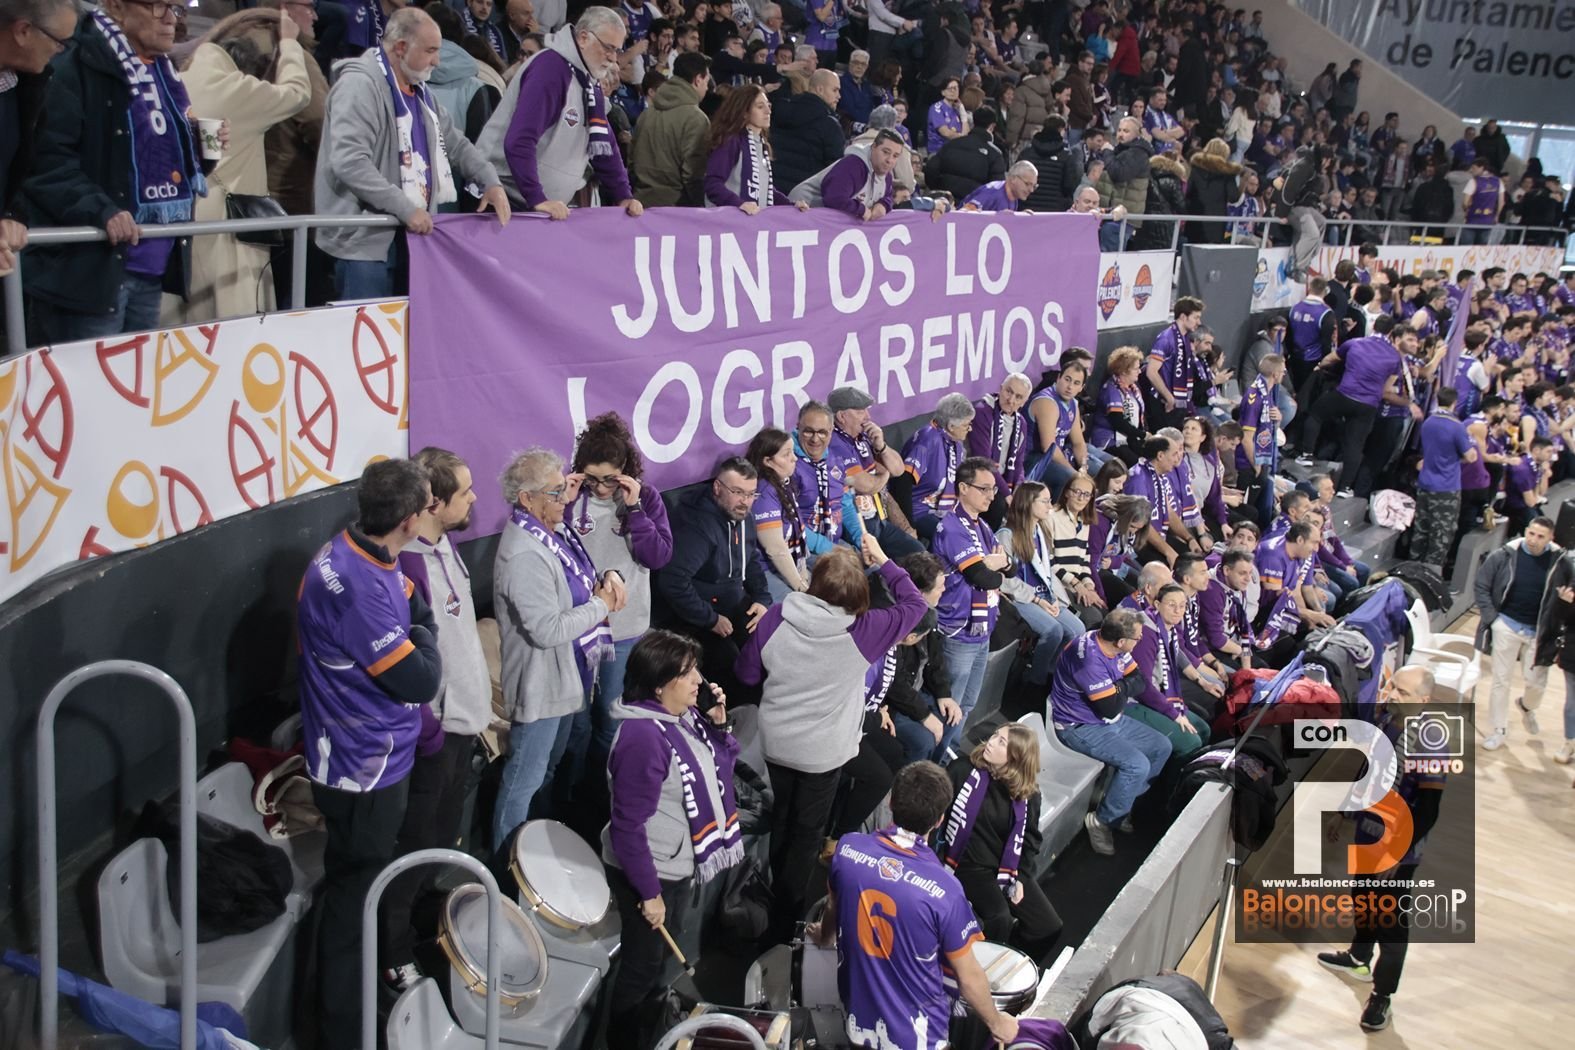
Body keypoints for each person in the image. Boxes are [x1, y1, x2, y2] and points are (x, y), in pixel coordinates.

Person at [295, 458, 442, 1048]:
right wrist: (421, 638)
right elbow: (421, 679)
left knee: (358, 894)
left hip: (363, 759)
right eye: (429, 505)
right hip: (363, 770)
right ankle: (342, 1031)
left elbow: (417, 608)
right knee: (353, 904)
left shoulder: (359, 550)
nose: (433, 512)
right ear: (409, 520)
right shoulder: (359, 590)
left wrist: (418, 632)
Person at [736, 540, 927, 931]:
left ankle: (774, 899)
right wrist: (885, 560)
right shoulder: (865, 630)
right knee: (807, 833)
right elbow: (916, 604)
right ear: (858, 596)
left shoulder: (777, 615)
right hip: (822, 754)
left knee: (784, 817)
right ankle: (784, 921)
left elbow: (747, 674)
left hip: (777, 742)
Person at [23, 0, 214, 342]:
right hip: (90, 274)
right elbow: (45, 162)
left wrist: (198, 148)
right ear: (116, 6)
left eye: (176, 8)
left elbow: (163, 163)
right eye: (159, 6)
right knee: (84, 377)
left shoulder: (164, 72)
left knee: (136, 378)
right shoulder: (75, 62)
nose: (171, 19)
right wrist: (101, 210)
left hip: (151, 267)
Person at [377, 447, 492, 990]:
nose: (474, 499)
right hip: (436, 735)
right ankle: (392, 956)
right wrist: (430, 727)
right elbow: (402, 661)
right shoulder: (407, 566)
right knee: (413, 849)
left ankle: (424, 927)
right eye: (464, 492)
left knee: (441, 840)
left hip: (464, 726)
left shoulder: (447, 545)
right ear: (433, 503)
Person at [815, 761, 1019, 1048]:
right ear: (939, 820)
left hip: (858, 1028)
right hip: (919, 1039)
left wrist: (824, 937)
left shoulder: (847, 849)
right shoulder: (945, 890)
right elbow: (969, 978)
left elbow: (833, 909)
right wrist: (999, 1025)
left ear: (890, 801)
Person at [603, 630, 741, 1049]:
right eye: (687, 672)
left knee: (658, 964)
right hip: (651, 871)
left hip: (675, 864)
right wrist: (649, 893)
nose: (699, 679)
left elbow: (721, 767)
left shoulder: (684, 719)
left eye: (696, 669)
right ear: (659, 684)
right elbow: (628, 827)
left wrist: (719, 726)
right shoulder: (643, 739)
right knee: (641, 969)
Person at [315, 8, 508, 299]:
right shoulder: (359, 86)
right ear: (401, 47)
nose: (437, 61)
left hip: (410, 237)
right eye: (430, 50)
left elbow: (455, 143)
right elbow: (350, 163)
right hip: (363, 245)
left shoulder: (420, 92)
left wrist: (489, 180)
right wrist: (405, 208)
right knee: (369, 328)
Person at [493, 447, 627, 848]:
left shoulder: (553, 533)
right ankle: (506, 866)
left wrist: (606, 578)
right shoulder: (524, 554)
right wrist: (601, 605)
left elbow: (577, 582)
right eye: (555, 492)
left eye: (563, 487)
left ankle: (536, 846)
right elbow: (547, 629)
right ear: (526, 498)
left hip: (565, 676)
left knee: (546, 773)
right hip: (540, 686)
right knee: (523, 782)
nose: (565, 498)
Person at [1315, 666, 1444, 1034]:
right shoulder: (1386, 721)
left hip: (1398, 849)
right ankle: (1358, 955)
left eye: (1402, 692)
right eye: (1391, 687)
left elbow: (1429, 809)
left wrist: (1400, 853)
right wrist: (1344, 812)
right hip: (1369, 833)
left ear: (1424, 700)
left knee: (1391, 922)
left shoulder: (1431, 742)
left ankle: (1382, 995)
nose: (1391, 694)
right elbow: (1368, 769)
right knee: (1362, 897)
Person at [175, 8, 312, 323]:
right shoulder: (235, 88)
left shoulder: (177, 82)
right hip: (229, 224)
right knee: (234, 318)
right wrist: (290, 44)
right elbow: (297, 94)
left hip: (185, 217)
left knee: (186, 321)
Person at [564, 413, 673, 768]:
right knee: (576, 725)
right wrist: (564, 504)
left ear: (625, 470)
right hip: (577, 628)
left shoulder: (646, 498)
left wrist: (635, 509)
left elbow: (657, 557)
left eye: (609, 479)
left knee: (610, 722)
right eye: (592, 478)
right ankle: (571, 792)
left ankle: (600, 791)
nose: (600, 488)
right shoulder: (570, 499)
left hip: (624, 630)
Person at [477, 6, 641, 220]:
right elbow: (519, 140)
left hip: (534, 205)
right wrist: (537, 198)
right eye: (608, 48)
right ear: (584, 38)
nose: (613, 58)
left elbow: (603, 144)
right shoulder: (551, 69)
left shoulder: (588, 79)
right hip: (505, 200)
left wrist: (623, 195)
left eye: (617, 50)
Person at [1049, 612, 1173, 855]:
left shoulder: (1112, 645)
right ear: (1121, 641)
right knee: (1137, 765)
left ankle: (1121, 804)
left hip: (1106, 719)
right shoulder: (1089, 661)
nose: (1139, 641)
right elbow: (1111, 706)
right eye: (1137, 638)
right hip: (1079, 726)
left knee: (1161, 747)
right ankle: (1102, 821)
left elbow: (1140, 680)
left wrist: (1118, 688)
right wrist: (1123, 689)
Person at [654, 456, 772, 701]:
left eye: (751, 494)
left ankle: (763, 709)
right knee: (728, 663)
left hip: (732, 602)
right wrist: (710, 619)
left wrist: (762, 598)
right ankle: (729, 715)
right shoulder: (697, 527)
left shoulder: (743, 517)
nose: (745, 501)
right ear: (717, 487)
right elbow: (673, 581)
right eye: (738, 492)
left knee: (766, 644)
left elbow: (750, 559)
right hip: (695, 616)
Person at [940, 724, 1061, 958]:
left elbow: (1030, 841)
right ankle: (984, 969)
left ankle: (1013, 960)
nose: (991, 742)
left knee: (1048, 926)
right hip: (967, 864)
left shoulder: (1029, 794)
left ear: (1016, 757)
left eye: (1001, 742)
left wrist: (1021, 878)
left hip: (1008, 868)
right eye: (995, 736)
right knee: (999, 918)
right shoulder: (962, 770)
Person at [0, 0, 82, 310]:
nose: (60, 51)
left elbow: (18, 170)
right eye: (59, 41)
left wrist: (11, 214)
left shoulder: (27, 86)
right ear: (23, 31)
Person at [931, 457, 1014, 759]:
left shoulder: (982, 526)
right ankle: (933, 762)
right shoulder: (953, 527)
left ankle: (948, 755)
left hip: (982, 629)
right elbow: (981, 576)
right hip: (959, 629)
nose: (991, 496)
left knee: (967, 704)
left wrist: (999, 563)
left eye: (994, 489)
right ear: (963, 488)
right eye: (984, 489)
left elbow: (1012, 568)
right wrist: (995, 567)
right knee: (950, 706)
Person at [1298, 323, 1421, 496]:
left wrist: (1319, 366)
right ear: (1391, 336)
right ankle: (1344, 488)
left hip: (1344, 395)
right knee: (1355, 445)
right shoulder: (1395, 359)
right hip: (1368, 406)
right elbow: (1385, 389)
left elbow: (1329, 359)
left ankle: (1306, 455)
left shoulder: (1355, 342)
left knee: (1316, 414)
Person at [997, 480, 1095, 686]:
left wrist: (1056, 598)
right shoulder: (1007, 535)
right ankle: (1034, 682)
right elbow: (1004, 580)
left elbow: (1048, 569)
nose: (1050, 506)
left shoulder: (1041, 532)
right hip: (1021, 598)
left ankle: (1049, 672)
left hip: (1044, 595)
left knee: (1078, 629)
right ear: (1028, 503)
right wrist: (1036, 599)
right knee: (1053, 630)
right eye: (1045, 501)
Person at [1474, 516, 1558, 751]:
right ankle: (1498, 730)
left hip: (1538, 631)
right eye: (1531, 533)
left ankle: (1527, 706)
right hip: (1506, 625)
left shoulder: (1559, 561)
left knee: (1536, 683)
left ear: (1550, 538)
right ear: (1526, 531)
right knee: (1501, 681)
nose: (1533, 539)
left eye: (1540, 536)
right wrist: (1493, 619)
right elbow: (1481, 585)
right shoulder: (1504, 555)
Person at [827, 384, 925, 556]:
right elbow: (866, 486)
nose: (868, 416)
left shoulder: (863, 436)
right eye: (860, 412)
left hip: (879, 519)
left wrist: (882, 446)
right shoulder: (834, 442)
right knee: (882, 565)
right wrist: (884, 473)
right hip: (855, 525)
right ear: (842, 416)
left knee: (917, 552)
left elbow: (898, 470)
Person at [704, 82, 806, 211]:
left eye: (768, 105)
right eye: (760, 107)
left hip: (754, 220)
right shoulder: (731, 141)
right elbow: (712, 183)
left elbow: (765, 190)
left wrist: (791, 206)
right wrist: (739, 204)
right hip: (731, 220)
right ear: (744, 112)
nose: (768, 111)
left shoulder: (762, 143)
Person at [747, 427, 820, 599]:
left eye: (793, 452)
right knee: (804, 607)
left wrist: (804, 575)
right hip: (766, 569)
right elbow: (775, 549)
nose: (794, 458)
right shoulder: (764, 493)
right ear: (768, 461)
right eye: (787, 454)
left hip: (793, 559)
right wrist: (801, 587)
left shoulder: (784, 483)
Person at [630, 49, 710, 206]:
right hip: (677, 210)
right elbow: (693, 175)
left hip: (640, 205)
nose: (707, 88)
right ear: (698, 80)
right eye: (707, 82)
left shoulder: (646, 115)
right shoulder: (697, 119)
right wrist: (700, 208)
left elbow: (632, 162)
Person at [1412, 387, 1478, 575]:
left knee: (1421, 529)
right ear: (1454, 403)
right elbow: (1470, 456)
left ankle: (1412, 570)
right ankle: (1431, 575)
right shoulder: (1457, 426)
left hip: (1425, 483)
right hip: (1446, 488)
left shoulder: (1428, 422)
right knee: (1441, 533)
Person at [901, 393, 975, 542]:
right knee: (953, 538)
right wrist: (907, 524)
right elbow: (902, 483)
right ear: (951, 426)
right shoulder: (927, 440)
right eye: (966, 425)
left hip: (942, 509)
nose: (970, 429)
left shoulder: (956, 444)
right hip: (919, 509)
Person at [966, 371, 1033, 527]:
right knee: (999, 505)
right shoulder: (983, 412)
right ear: (1001, 388)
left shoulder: (1021, 423)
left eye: (1018, 397)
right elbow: (983, 461)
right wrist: (1007, 494)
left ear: (1024, 402)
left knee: (1029, 501)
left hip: (1001, 480)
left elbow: (1018, 462)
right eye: (1009, 391)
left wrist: (1019, 488)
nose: (1011, 400)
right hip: (976, 476)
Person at [789, 130, 903, 220]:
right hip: (801, 208)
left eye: (895, 156)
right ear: (873, 147)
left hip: (822, 217)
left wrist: (884, 204)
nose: (889, 160)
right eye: (886, 152)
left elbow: (888, 196)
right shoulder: (853, 165)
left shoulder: (886, 175)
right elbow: (834, 198)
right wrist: (862, 210)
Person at [771, 68, 844, 193]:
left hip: (772, 190)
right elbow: (835, 170)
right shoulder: (829, 124)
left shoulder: (780, 111)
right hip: (803, 196)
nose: (839, 96)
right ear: (820, 89)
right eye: (835, 90)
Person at [1028, 360, 1093, 496]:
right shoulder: (1047, 402)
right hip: (1033, 458)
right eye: (1067, 379)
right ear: (1058, 378)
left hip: (1057, 456)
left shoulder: (1073, 403)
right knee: (1070, 480)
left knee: (1100, 471)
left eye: (1076, 383)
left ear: (1081, 387)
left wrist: (1083, 468)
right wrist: (1075, 474)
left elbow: (1078, 442)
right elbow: (1048, 447)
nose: (1070, 387)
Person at [1143, 297, 1205, 431]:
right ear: (1183, 317)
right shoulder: (1166, 338)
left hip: (1179, 402)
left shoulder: (1185, 338)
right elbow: (1151, 372)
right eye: (1196, 317)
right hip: (1164, 403)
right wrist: (1169, 397)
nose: (1199, 322)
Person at [927, 105, 1006, 201]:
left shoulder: (951, 144)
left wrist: (939, 189)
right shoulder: (995, 154)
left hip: (946, 202)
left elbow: (931, 169)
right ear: (992, 126)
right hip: (973, 205)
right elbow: (996, 187)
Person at [961, 160, 1038, 212]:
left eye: (1034, 186)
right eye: (1027, 184)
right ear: (1013, 178)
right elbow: (965, 212)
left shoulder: (1014, 197)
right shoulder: (992, 192)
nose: (1031, 190)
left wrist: (1021, 218)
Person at [1459, 156, 1503, 245]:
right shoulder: (1498, 181)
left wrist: (1466, 210)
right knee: (1482, 248)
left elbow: (1465, 202)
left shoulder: (1473, 181)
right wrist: (1497, 215)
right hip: (1488, 220)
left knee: (1466, 247)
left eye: (1474, 168)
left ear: (1482, 167)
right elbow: (1501, 202)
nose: (1471, 170)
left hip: (1472, 219)